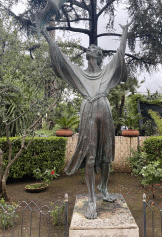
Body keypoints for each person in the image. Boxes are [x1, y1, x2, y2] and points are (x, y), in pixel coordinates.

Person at [42, 24, 128, 219]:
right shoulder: (79, 73)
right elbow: (61, 58)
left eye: (94, 49)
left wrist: (124, 33)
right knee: (90, 157)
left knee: (106, 157)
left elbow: (120, 54)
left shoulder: (107, 71)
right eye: (88, 49)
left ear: (99, 56)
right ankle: (91, 199)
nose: (90, 48)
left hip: (105, 111)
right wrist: (47, 36)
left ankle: (103, 188)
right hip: (89, 111)